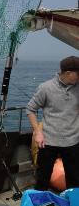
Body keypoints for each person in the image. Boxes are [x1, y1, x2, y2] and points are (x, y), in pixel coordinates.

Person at [26, 56, 79, 191]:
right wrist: (38, 132)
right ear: (68, 73)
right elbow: (30, 109)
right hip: (48, 142)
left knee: (75, 181)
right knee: (42, 179)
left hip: (73, 142)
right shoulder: (45, 88)